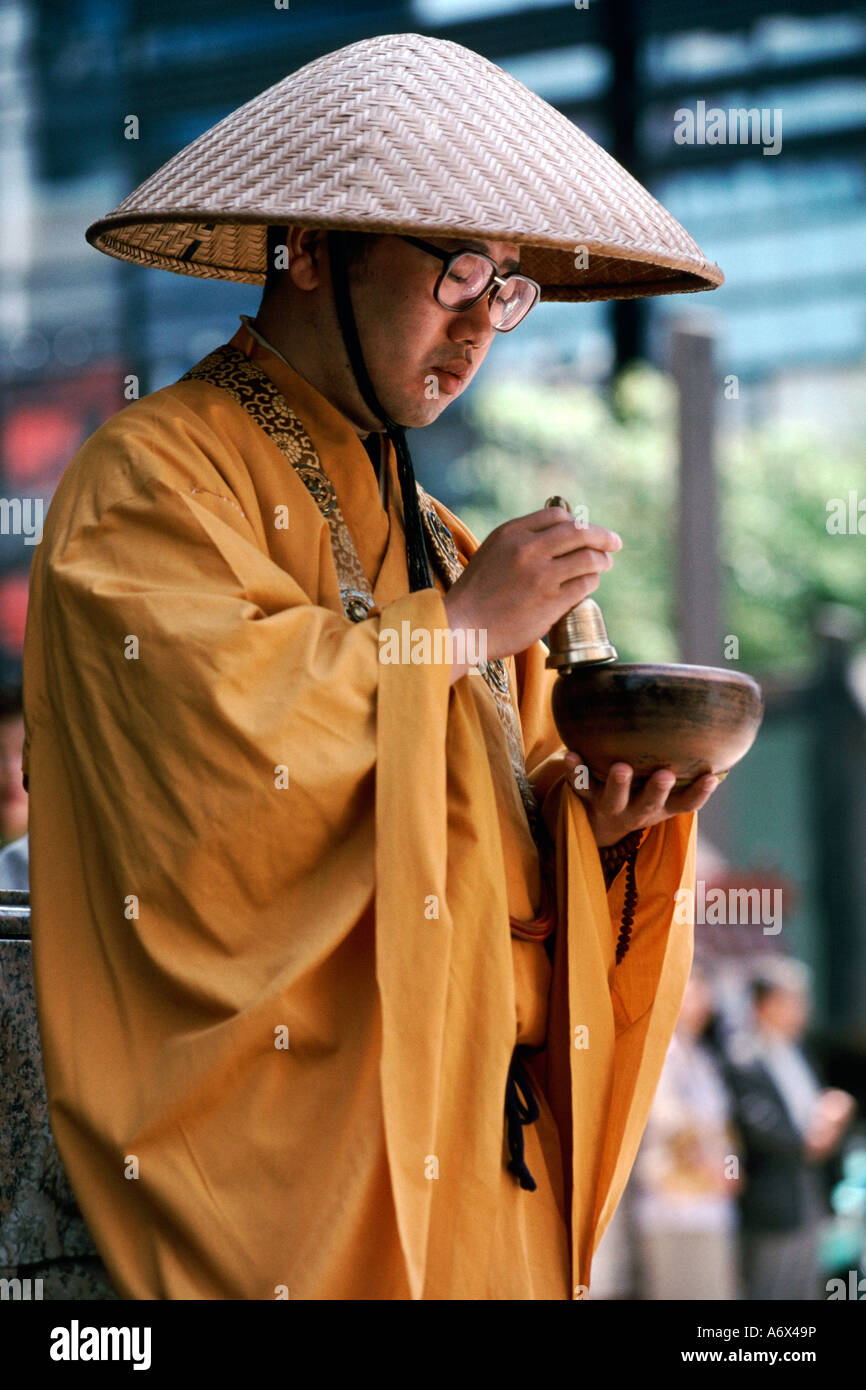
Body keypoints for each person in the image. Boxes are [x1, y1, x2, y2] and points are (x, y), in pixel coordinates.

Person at [22, 33, 724, 1300]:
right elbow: (205, 771)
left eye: (505, 288)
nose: (477, 329)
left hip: (491, 1148)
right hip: (311, 1163)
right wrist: (452, 633)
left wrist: (602, 828)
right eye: (455, 273)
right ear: (312, 249)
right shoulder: (152, 475)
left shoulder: (444, 539)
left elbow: (497, 843)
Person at [725, 959, 856, 1300]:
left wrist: (831, 1117)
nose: (802, 1010)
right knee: (771, 1287)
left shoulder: (798, 1052)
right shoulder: (742, 1056)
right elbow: (755, 1123)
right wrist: (807, 1141)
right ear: (764, 1004)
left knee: (805, 1285)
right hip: (771, 1198)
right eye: (792, 1001)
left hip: (808, 1188)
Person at [631, 966, 741, 1300]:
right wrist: (707, 1164)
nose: (702, 1003)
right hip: (672, 1195)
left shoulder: (705, 1056)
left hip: (712, 1195)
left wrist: (730, 1170)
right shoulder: (660, 1052)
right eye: (693, 994)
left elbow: (725, 1127)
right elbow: (669, 1121)